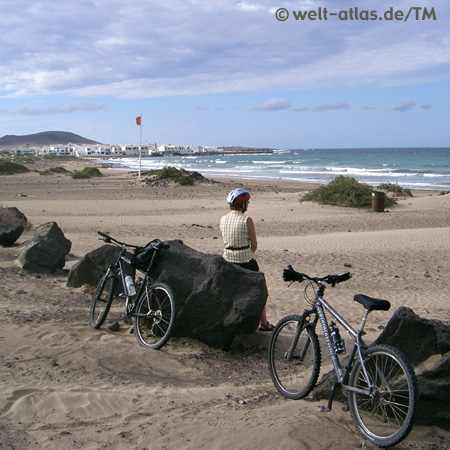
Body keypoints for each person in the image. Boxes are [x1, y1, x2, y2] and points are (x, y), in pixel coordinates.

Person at [219, 187, 274, 331]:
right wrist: (248, 254)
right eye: (247, 202)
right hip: (245, 261)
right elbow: (254, 244)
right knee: (260, 291)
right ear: (242, 204)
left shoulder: (223, 219)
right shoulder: (246, 219)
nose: (248, 205)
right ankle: (264, 323)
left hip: (227, 260)